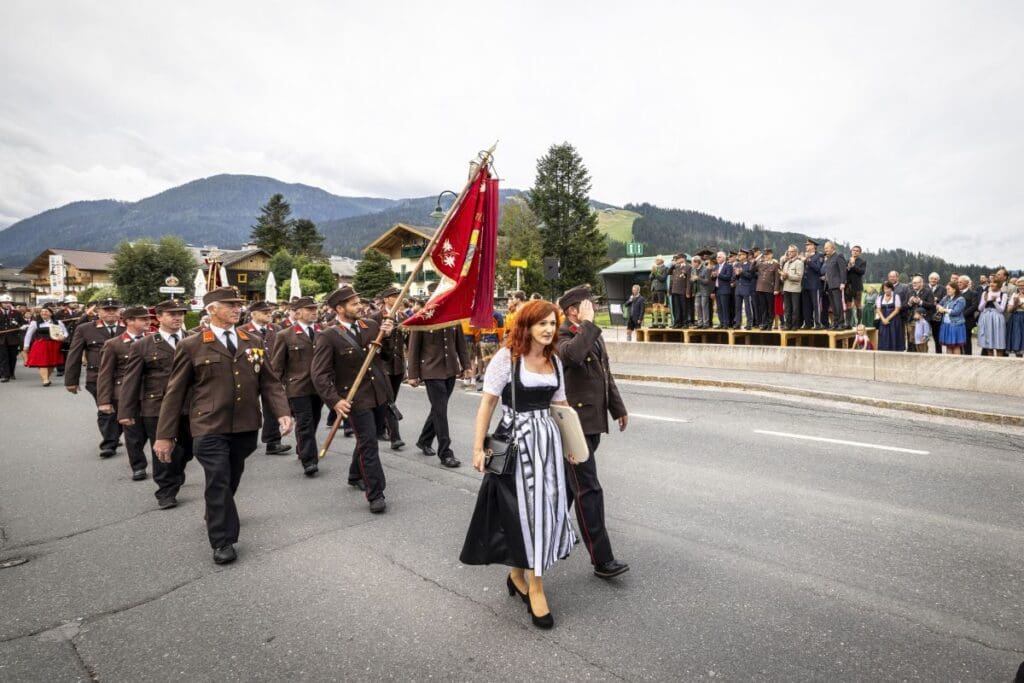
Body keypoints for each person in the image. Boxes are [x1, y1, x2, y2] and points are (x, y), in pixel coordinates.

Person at [154, 287, 293, 564]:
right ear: (211, 310)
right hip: (208, 424)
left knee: (231, 476)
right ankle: (223, 539)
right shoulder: (192, 345)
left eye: (238, 304)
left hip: (245, 424)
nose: (237, 308)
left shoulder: (251, 339)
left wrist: (281, 412)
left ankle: (215, 509)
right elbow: (175, 392)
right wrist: (165, 435)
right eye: (229, 304)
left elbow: (269, 381)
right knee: (217, 476)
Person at [460, 300, 577, 630]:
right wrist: (478, 448)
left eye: (553, 324)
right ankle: (534, 587)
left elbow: (562, 405)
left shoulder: (554, 359)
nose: (549, 329)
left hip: (548, 443)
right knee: (521, 514)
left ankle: (520, 575)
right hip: (514, 444)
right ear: (526, 325)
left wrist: (572, 446)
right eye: (542, 323)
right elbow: (487, 405)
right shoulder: (506, 358)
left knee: (547, 511)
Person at [557, 285, 630, 580]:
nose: (594, 309)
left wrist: (618, 408)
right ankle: (602, 559)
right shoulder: (561, 335)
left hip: (593, 423)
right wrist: (587, 326)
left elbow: (605, 374)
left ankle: (534, 543)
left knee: (562, 493)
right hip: (574, 428)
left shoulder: (590, 334)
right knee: (588, 490)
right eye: (588, 305)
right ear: (573, 310)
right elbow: (573, 357)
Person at [311, 286, 395, 512]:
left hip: (378, 394)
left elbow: (386, 356)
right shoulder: (327, 335)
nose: (361, 306)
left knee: (367, 439)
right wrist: (335, 401)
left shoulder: (372, 326)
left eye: (360, 302)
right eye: (354, 304)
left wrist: (387, 336)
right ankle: (376, 494)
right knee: (369, 444)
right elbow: (320, 375)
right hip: (354, 399)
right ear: (340, 308)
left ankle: (354, 474)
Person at [118, 299, 194, 509]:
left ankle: (177, 470)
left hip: (189, 405)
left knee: (188, 448)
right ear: (158, 317)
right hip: (157, 406)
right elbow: (131, 380)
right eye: (172, 314)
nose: (177, 317)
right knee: (162, 450)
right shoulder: (143, 345)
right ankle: (166, 491)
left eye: (180, 314)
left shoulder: (193, 340)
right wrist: (126, 411)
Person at [270, 296, 324, 477]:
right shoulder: (285, 335)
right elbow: (277, 367)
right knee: (305, 422)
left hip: (319, 387)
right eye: (309, 309)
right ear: (298, 312)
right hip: (297, 387)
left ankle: (303, 448)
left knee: (314, 420)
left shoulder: (323, 331)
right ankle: (309, 460)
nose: (314, 312)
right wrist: (276, 392)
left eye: (315, 309)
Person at [407, 316, 471, 468]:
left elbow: (461, 344)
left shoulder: (453, 318)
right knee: (440, 411)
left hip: (450, 370)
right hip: (431, 371)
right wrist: (412, 374)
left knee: (438, 409)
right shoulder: (422, 319)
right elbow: (413, 348)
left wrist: (466, 365)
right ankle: (445, 452)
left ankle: (424, 440)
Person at [96, 306, 152, 480]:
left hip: (151, 392)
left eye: (148, 319)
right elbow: (105, 374)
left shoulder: (153, 340)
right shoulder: (114, 344)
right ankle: (138, 466)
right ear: (129, 321)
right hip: (126, 394)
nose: (148, 322)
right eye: (143, 319)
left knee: (153, 431)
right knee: (132, 432)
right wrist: (104, 401)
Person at [65, 298, 126, 458]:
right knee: (106, 409)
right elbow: (74, 354)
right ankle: (109, 443)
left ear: (121, 311)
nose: (111, 312)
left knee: (122, 409)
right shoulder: (85, 329)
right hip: (97, 377)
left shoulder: (129, 327)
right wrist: (71, 380)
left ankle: (113, 434)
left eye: (114, 309)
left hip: (124, 377)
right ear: (98, 311)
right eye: (106, 309)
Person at [242, 301, 292, 456]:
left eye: (270, 312)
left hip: (271, 375)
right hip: (249, 376)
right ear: (254, 314)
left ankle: (273, 442)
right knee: (246, 407)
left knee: (272, 407)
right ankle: (241, 438)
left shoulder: (277, 329)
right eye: (265, 312)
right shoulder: (242, 331)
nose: (269, 314)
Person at [371, 286, 407, 448]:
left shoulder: (402, 316)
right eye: (395, 296)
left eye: (400, 296)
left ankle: (379, 428)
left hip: (397, 364)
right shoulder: (375, 317)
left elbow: (407, 341)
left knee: (390, 399)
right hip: (382, 364)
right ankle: (395, 437)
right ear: (386, 299)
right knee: (389, 400)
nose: (399, 299)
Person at [22, 305, 68, 386]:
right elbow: (28, 334)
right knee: (42, 363)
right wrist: (26, 346)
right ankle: (45, 380)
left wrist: (63, 337)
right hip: (41, 345)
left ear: (51, 313)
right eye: (42, 312)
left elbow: (65, 333)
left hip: (54, 345)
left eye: (46, 312)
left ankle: (46, 378)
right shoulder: (35, 323)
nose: (44, 313)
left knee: (52, 363)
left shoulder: (58, 322)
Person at [821, 241, 849, 330]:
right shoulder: (828, 258)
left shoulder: (838, 256)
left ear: (833, 248)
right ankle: (836, 323)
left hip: (837, 285)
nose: (825, 249)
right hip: (829, 285)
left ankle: (841, 323)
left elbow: (843, 270)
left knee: (838, 305)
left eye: (827, 248)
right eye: (825, 248)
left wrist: (842, 282)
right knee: (833, 306)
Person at [904, 276, 935, 351]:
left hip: (923, 322)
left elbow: (931, 305)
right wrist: (910, 303)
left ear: (921, 283)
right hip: (911, 321)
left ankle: (923, 359)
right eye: (912, 283)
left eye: (915, 283)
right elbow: (904, 306)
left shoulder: (928, 292)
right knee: (911, 341)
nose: (913, 284)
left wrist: (920, 302)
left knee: (922, 342)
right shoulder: (910, 292)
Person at [976, 282, 1008, 357]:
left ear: (999, 286)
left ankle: (999, 360)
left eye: (994, 285)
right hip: (986, 317)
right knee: (988, 342)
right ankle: (990, 360)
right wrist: (985, 300)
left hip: (997, 318)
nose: (991, 286)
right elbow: (980, 308)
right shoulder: (985, 293)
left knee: (999, 340)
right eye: (991, 285)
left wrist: (995, 301)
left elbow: (1001, 310)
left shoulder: (1003, 295)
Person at [753, 247, 781, 330]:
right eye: (765, 255)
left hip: (769, 288)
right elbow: (751, 269)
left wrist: (776, 289)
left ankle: (769, 324)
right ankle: (764, 323)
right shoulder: (761, 264)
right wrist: (756, 259)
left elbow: (777, 278)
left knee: (770, 307)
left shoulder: (775, 264)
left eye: (768, 254)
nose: (766, 256)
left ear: (771, 255)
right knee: (763, 307)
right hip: (760, 288)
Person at [936, 283, 967, 355]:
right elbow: (938, 304)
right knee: (948, 345)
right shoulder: (946, 298)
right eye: (947, 289)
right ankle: (949, 363)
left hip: (956, 325)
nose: (947, 290)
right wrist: (939, 307)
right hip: (946, 324)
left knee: (955, 346)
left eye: (948, 289)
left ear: (954, 289)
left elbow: (956, 312)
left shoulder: (961, 299)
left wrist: (944, 310)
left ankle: (957, 363)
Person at [0, 294, 25, 382]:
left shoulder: (16, 313)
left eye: (9, 303)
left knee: (12, 357)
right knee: (3, 357)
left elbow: (23, 323)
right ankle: (4, 375)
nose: (7, 304)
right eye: (5, 303)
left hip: (13, 338)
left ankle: (11, 373)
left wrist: (21, 326)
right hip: (1, 339)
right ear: (1, 303)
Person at [800, 239, 824, 329]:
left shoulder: (819, 256)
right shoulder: (804, 256)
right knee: (806, 305)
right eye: (806, 245)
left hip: (815, 284)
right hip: (805, 284)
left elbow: (819, 269)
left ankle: (818, 324)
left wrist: (808, 260)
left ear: (814, 246)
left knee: (816, 305)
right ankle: (807, 323)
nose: (807, 246)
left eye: (809, 245)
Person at [779, 245, 804, 330]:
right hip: (786, 288)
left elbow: (799, 277)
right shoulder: (786, 263)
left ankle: (795, 325)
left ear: (796, 252)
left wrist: (788, 275)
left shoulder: (799, 263)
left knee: (795, 308)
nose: (790, 253)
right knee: (787, 308)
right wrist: (782, 277)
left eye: (792, 251)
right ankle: (788, 325)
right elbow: (783, 277)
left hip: (795, 289)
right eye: (789, 251)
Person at [875, 281, 905, 351]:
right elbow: (878, 309)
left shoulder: (896, 296)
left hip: (894, 320)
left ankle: (895, 351)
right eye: (885, 288)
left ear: (891, 288)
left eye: (888, 288)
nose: (886, 290)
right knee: (884, 336)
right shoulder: (880, 297)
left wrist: (887, 319)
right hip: (883, 319)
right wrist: (883, 319)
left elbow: (897, 310)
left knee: (894, 335)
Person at [667, 253, 692, 328]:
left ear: (683, 259)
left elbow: (688, 281)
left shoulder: (688, 267)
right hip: (675, 290)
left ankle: (685, 323)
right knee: (676, 308)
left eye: (678, 258)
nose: (676, 260)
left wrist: (688, 291)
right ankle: (677, 322)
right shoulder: (676, 267)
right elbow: (669, 275)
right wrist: (670, 290)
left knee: (684, 307)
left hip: (683, 290)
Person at [733, 250, 755, 329]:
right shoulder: (737, 264)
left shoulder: (750, 265)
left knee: (747, 307)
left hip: (746, 288)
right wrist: (737, 274)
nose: (740, 256)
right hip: (738, 288)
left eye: (741, 254)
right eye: (739, 254)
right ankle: (738, 323)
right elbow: (734, 277)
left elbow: (750, 276)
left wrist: (742, 272)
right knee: (737, 307)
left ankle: (749, 323)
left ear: (746, 255)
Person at [711, 251, 734, 329]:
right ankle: (721, 323)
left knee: (725, 307)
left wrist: (718, 274)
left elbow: (728, 277)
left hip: (725, 289)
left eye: (719, 257)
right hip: (717, 289)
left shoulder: (728, 266)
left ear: (724, 258)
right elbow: (713, 279)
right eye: (717, 257)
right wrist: (713, 276)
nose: (717, 258)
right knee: (719, 308)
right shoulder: (716, 266)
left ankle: (726, 324)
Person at [846, 246, 867, 326]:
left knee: (858, 305)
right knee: (848, 305)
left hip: (857, 286)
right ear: (851, 251)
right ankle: (848, 323)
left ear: (860, 253)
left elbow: (862, 272)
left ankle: (859, 323)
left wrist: (853, 265)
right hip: (848, 286)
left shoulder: (862, 261)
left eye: (857, 251)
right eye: (853, 250)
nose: (855, 252)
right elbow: (845, 272)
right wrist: (848, 267)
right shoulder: (847, 260)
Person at [958, 275, 979, 356]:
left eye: (961, 282)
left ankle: (968, 357)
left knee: (966, 341)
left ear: (967, 283)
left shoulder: (973, 293)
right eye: (958, 282)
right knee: (958, 341)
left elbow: (974, 306)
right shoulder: (957, 293)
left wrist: (962, 315)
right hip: (956, 321)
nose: (958, 284)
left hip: (967, 321)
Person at [649, 258, 669, 328]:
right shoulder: (655, 268)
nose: (655, 261)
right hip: (654, 288)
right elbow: (650, 278)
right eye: (655, 260)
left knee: (661, 305)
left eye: (657, 260)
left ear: (661, 260)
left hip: (661, 289)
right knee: (654, 305)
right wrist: (653, 272)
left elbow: (663, 278)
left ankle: (663, 322)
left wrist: (656, 272)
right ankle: (655, 322)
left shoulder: (665, 268)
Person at [692, 256, 711, 328]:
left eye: (693, 263)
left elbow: (707, 281)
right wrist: (692, 279)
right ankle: (699, 323)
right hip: (697, 291)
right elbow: (692, 279)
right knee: (697, 307)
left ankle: (706, 323)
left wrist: (698, 278)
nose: (692, 264)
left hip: (704, 291)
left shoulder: (705, 269)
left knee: (704, 307)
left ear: (697, 262)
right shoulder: (693, 269)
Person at [1007, 287, 1024, 358]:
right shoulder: (1015, 295)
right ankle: (1019, 358)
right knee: (1018, 337)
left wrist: (1020, 304)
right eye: (1020, 285)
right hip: (1016, 318)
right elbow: (1009, 310)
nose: (1022, 287)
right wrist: (1015, 305)